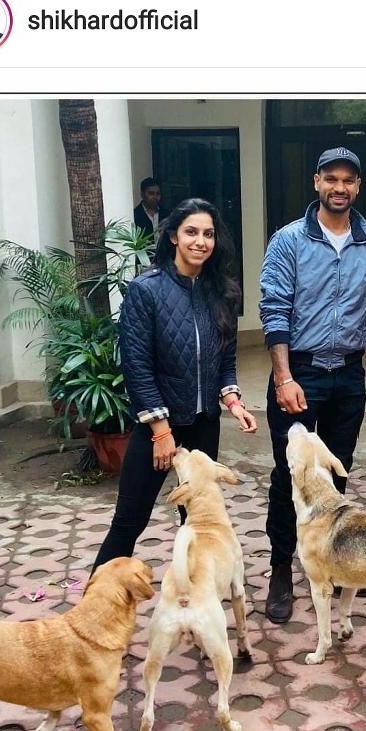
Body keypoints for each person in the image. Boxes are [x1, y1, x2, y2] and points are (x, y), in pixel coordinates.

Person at [258, 147, 366, 623]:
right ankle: (281, 567)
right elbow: (274, 308)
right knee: (289, 475)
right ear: (317, 182)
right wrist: (283, 377)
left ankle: (331, 563)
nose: (339, 187)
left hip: (348, 377)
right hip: (301, 372)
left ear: (358, 186)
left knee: (337, 474)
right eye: (331, 178)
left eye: (348, 180)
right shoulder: (288, 240)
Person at [92, 197, 257, 572]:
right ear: (173, 237)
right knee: (130, 520)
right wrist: (161, 432)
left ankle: (197, 593)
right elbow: (137, 367)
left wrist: (234, 402)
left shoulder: (223, 291)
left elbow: (225, 360)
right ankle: (95, 599)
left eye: (208, 234)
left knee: (196, 521)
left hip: (204, 425)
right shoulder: (146, 290)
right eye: (191, 232)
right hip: (157, 428)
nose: (201, 241)